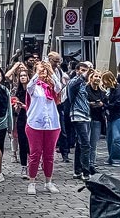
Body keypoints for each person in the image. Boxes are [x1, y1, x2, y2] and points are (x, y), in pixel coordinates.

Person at [24, 60, 64, 195]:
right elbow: (29, 86)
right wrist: (38, 73)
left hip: (52, 124)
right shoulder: (34, 87)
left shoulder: (51, 87)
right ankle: (32, 182)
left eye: (44, 70)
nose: (43, 72)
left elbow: (59, 86)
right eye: (40, 70)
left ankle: (48, 182)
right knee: (35, 154)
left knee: (49, 155)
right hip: (35, 124)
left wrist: (51, 72)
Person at [67, 61, 95, 180]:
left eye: (86, 70)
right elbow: (72, 85)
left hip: (85, 115)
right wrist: (85, 74)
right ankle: (85, 172)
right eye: (82, 70)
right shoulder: (74, 81)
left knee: (81, 143)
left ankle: (77, 171)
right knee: (85, 144)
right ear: (77, 70)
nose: (85, 72)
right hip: (77, 115)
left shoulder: (84, 84)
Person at [47, 52, 70, 163]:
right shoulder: (44, 70)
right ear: (49, 59)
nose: (56, 63)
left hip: (58, 103)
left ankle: (65, 153)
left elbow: (63, 84)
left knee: (62, 129)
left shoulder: (59, 71)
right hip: (47, 103)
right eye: (54, 61)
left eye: (58, 61)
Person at [101, 72, 120, 167]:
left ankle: (117, 159)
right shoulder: (110, 90)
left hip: (118, 116)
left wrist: (105, 105)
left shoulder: (118, 90)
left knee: (117, 138)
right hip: (111, 116)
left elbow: (117, 104)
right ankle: (111, 157)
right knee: (110, 139)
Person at [86, 70, 106, 170]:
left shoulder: (102, 91)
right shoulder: (86, 89)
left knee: (94, 142)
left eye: (99, 77)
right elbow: (84, 101)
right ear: (91, 78)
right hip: (87, 117)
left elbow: (105, 103)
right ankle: (84, 163)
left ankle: (92, 163)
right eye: (96, 76)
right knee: (86, 142)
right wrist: (90, 104)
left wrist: (102, 104)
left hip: (98, 118)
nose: (97, 78)